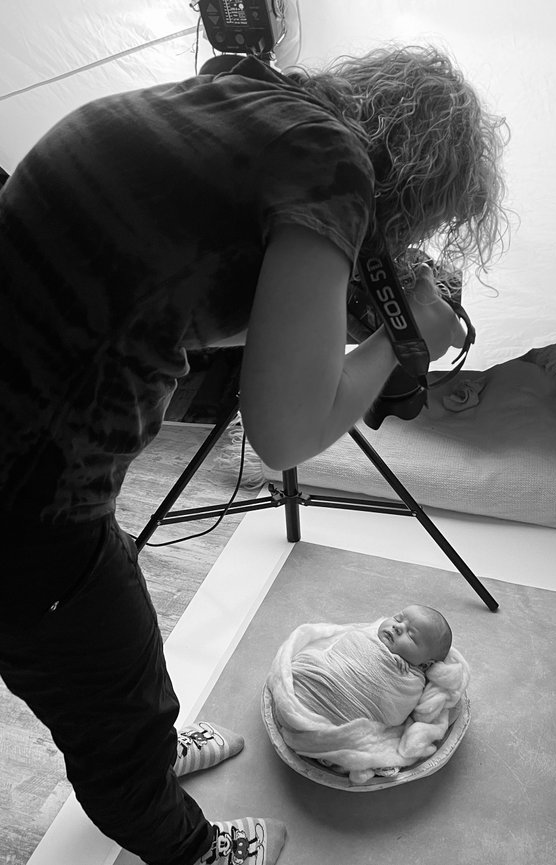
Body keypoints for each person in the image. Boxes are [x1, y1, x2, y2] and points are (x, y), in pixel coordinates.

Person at [0, 41, 507, 865]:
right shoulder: (334, 166)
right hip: (26, 493)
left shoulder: (240, 99)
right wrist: (401, 331)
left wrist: (324, 302)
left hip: (27, 430)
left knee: (120, 625)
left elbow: (196, 293)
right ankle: (190, 848)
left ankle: (151, 742)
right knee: (108, 698)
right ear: (412, 188)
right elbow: (281, 432)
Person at [291, 605, 452, 726]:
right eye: (398, 618)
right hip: (322, 676)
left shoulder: (412, 682)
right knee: (311, 657)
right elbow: (349, 643)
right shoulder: (370, 634)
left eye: (410, 635)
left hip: (350, 714)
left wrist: (397, 668)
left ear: (424, 665)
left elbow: (395, 712)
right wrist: (382, 651)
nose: (397, 627)